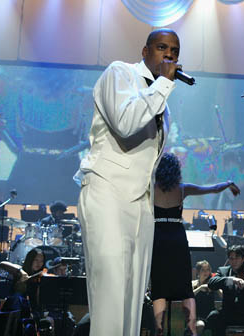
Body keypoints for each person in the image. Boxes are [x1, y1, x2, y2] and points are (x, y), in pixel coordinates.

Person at [73, 28, 182, 335]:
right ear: (145, 51)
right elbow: (125, 123)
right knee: (111, 291)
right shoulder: (119, 73)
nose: (169, 55)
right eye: (162, 47)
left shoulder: (161, 99)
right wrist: (163, 84)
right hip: (107, 191)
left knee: (133, 298)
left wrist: (161, 87)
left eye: (174, 50)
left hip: (141, 204)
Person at [151, 152, 240, 336]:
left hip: (158, 236)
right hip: (177, 237)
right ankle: (192, 329)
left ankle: (159, 329)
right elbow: (212, 188)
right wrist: (228, 183)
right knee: (185, 287)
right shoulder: (182, 188)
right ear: (176, 170)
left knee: (159, 286)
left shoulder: (150, 188)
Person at [207, 245, 244, 336]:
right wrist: (230, 279)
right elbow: (211, 283)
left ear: (243, 258)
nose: (234, 261)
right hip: (228, 314)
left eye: (237, 258)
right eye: (231, 258)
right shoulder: (223, 271)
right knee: (213, 316)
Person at [192, 260, 222, 335]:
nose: (206, 272)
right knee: (200, 325)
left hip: (211, 315)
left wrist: (217, 288)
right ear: (198, 272)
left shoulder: (212, 283)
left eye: (208, 270)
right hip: (198, 315)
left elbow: (223, 296)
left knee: (220, 322)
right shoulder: (193, 283)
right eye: (203, 270)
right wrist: (200, 288)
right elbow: (189, 296)